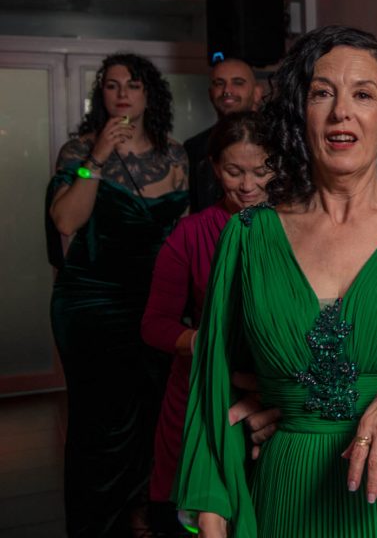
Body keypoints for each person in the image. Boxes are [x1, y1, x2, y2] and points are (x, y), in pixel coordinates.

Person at [174, 26, 377, 538]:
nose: (341, 112)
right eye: (322, 93)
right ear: (300, 113)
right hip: (286, 496)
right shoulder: (247, 237)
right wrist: (212, 514)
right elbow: (213, 391)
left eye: (363, 95)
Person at [46, 52, 189, 537]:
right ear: (101, 94)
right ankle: (97, 523)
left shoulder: (175, 154)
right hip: (92, 303)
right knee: (100, 421)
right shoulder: (79, 151)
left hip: (155, 303)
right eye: (112, 85)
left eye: (133, 84)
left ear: (150, 93)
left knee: (155, 412)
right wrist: (98, 158)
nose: (123, 93)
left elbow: (182, 234)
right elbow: (66, 220)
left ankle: (145, 514)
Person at [141, 111, 273, 534]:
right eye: (234, 172)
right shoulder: (191, 233)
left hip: (274, 398)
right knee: (198, 514)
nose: (248, 185)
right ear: (215, 167)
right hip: (203, 392)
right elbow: (154, 324)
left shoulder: (297, 227)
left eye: (261, 170)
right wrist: (207, 343)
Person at [184, 57, 263, 213]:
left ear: (257, 93)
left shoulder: (280, 142)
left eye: (238, 82)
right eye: (219, 83)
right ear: (210, 93)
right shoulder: (194, 147)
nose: (227, 90)